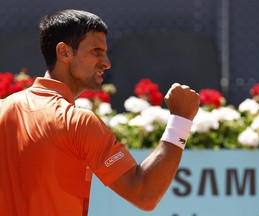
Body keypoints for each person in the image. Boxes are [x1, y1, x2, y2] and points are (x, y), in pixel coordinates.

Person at [0, 9, 200, 216]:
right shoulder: (77, 122)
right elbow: (144, 194)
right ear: (64, 53)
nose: (106, 62)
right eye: (96, 51)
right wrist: (180, 120)